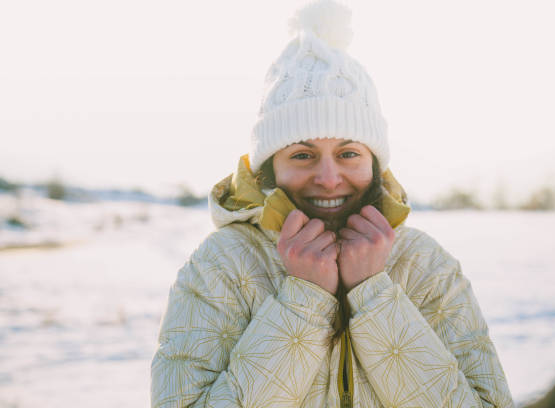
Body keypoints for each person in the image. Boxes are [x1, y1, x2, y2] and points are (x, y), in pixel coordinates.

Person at [150, 1, 514, 407]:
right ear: (269, 169)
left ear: (376, 163)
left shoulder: (424, 264)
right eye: (302, 155)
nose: (327, 177)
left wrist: (374, 296)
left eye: (348, 154)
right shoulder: (221, 266)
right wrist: (302, 302)